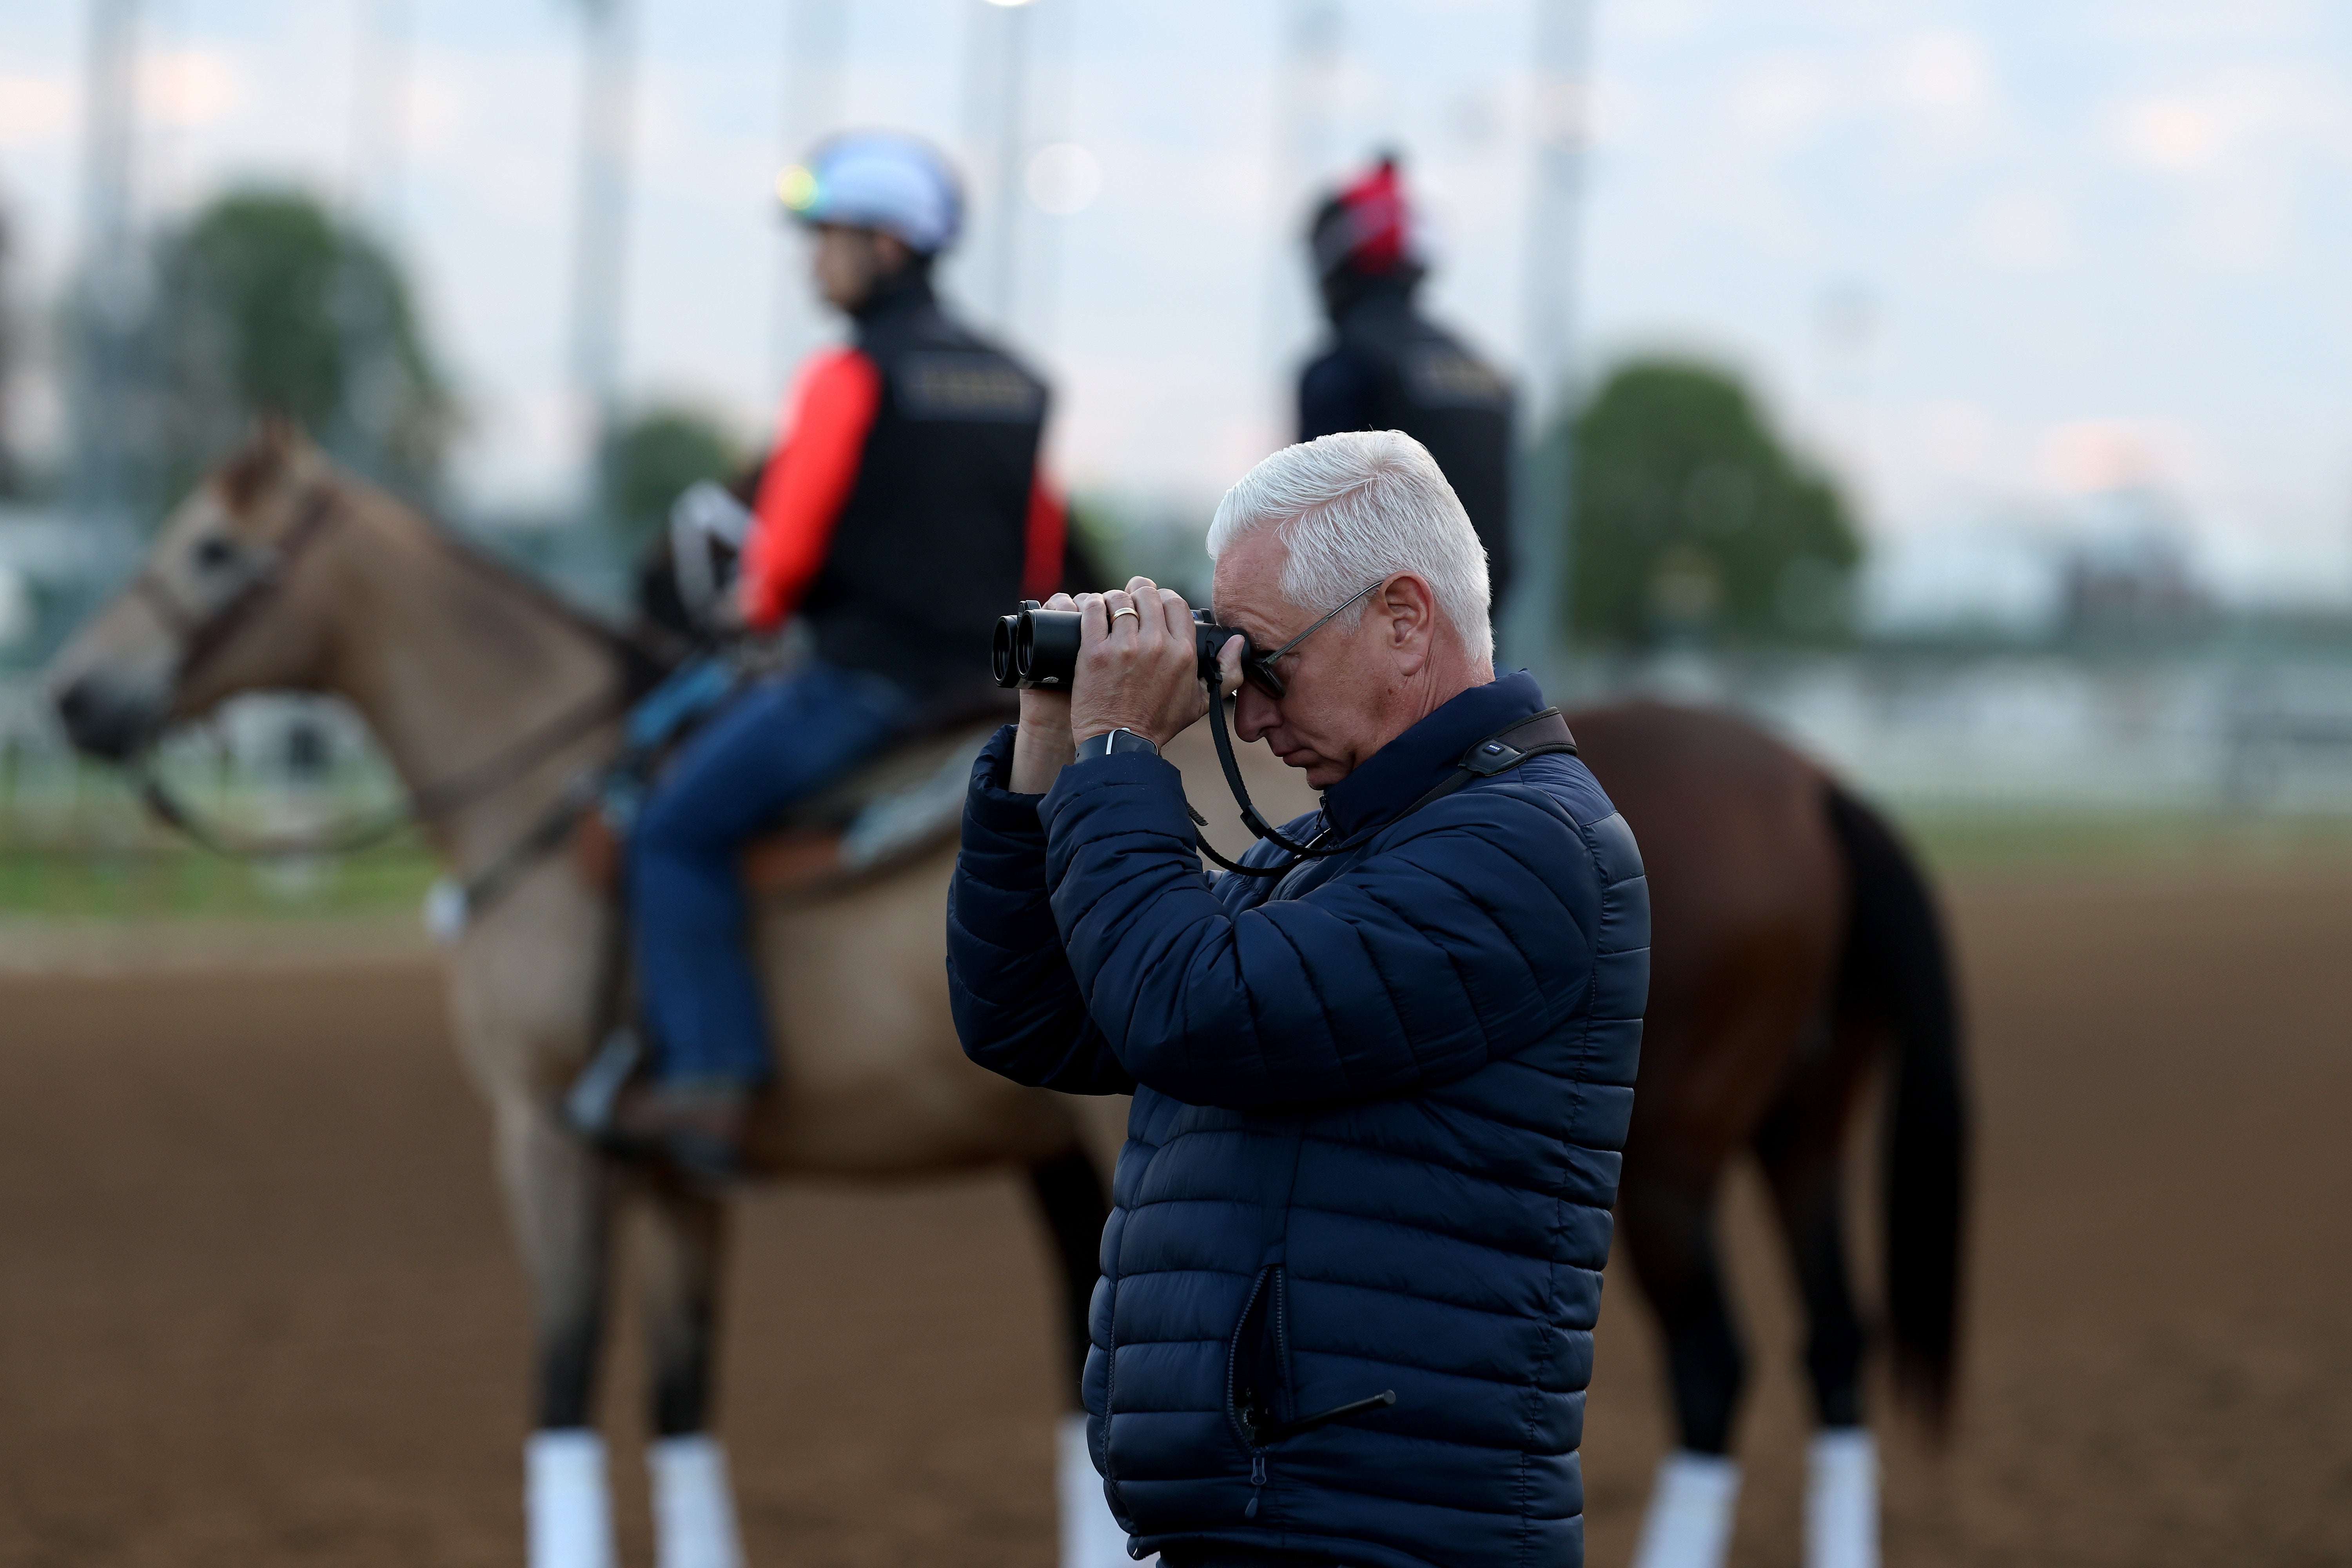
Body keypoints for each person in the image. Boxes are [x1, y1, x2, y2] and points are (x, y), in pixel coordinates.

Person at [946, 430, 1648, 1567]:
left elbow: (1193, 1010)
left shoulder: (1527, 850)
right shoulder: (1351, 849)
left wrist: (1121, 747)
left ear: (1406, 619)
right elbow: (1034, 1016)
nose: (1252, 715)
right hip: (1281, 1517)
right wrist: (1048, 738)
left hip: (1386, 1529)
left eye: (1263, 663)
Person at [593, 130, 1065, 1182]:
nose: (817, 262)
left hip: (863, 686)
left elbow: (786, 551)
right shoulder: (1018, 382)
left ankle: (710, 1079)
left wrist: (756, 609)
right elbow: (1039, 548)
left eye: (832, 239)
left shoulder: (849, 374)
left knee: (669, 828)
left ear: (889, 248)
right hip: (988, 690)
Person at [1297, 155, 1517, 609]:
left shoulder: (1343, 371)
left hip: (1376, 644)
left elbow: (1310, 540)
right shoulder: (1487, 372)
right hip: (1480, 647)